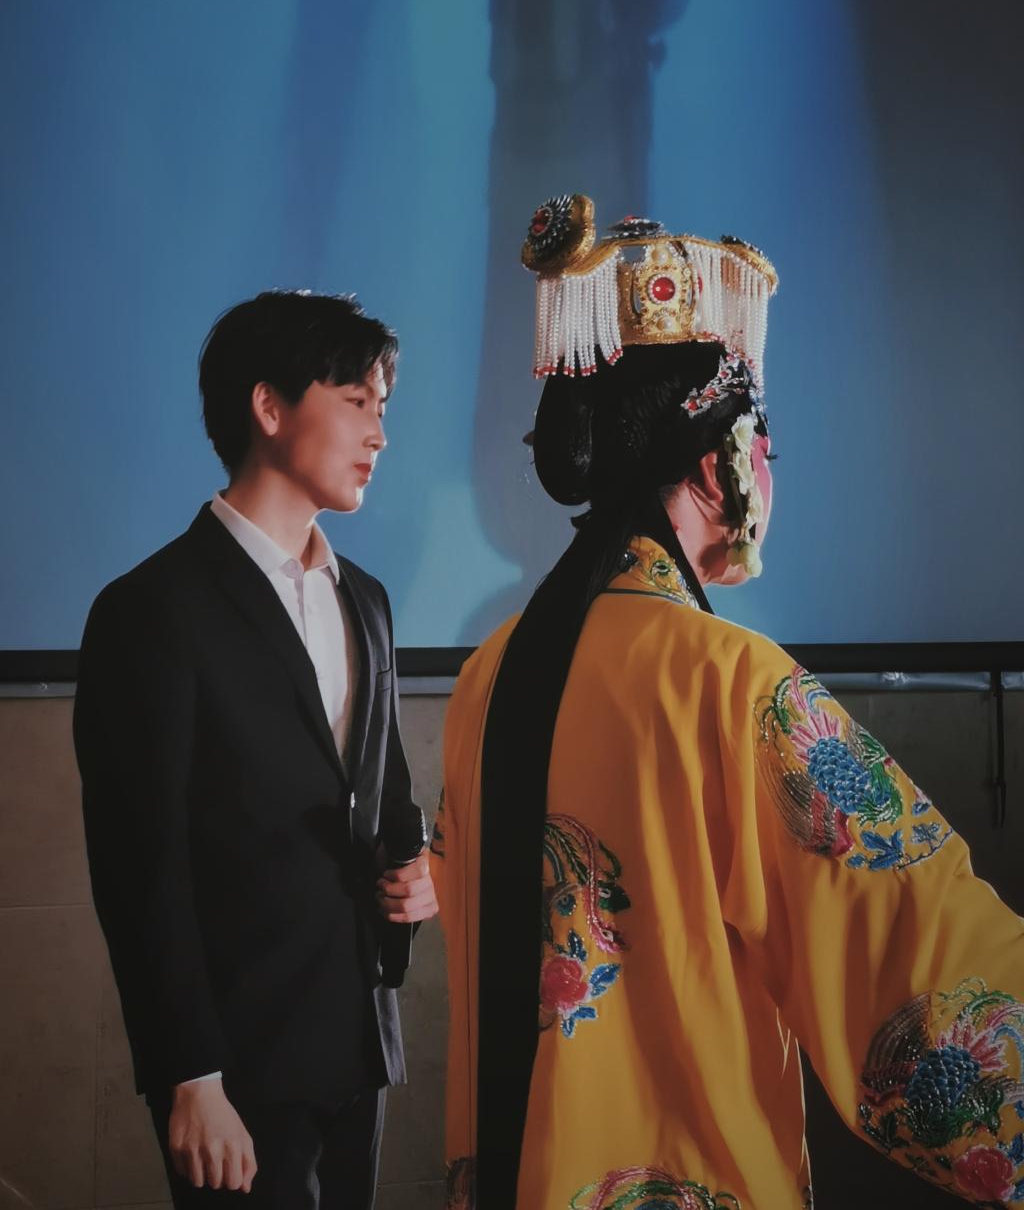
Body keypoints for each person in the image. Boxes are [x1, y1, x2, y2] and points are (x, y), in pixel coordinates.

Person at [430, 194, 1024, 1209]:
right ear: (725, 464)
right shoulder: (731, 681)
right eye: (766, 456)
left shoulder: (489, 673)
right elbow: (913, 960)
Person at [74, 290, 437, 1209]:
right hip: (236, 1065)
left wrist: (419, 875)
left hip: (360, 1040)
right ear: (269, 407)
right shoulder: (150, 609)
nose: (379, 433)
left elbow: (386, 797)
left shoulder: (366, 599)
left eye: (382, 406)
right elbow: (139, 868)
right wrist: (189, 1075)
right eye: (356, 402)